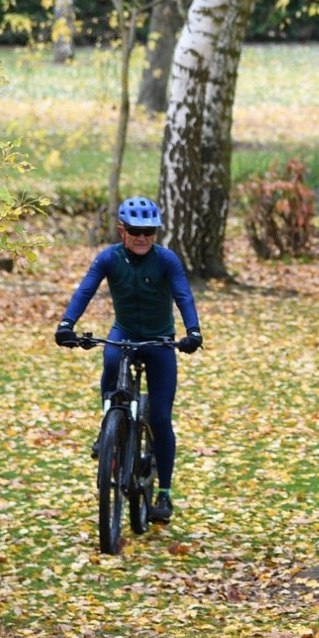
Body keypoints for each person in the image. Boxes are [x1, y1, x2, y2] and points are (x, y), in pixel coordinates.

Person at [55, 196, 203, 523]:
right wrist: (67, 324)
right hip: (123, 334)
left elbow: (183, 295)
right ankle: (108, 424)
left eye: (149, 231)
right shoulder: (108, 258)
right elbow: (85, 291)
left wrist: (193, 331)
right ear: (122, 230)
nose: (142, 237)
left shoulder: (167, 260)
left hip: (160, 341)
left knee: (161, 418)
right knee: (110, 360)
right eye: (136, 230)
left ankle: (163, 493)